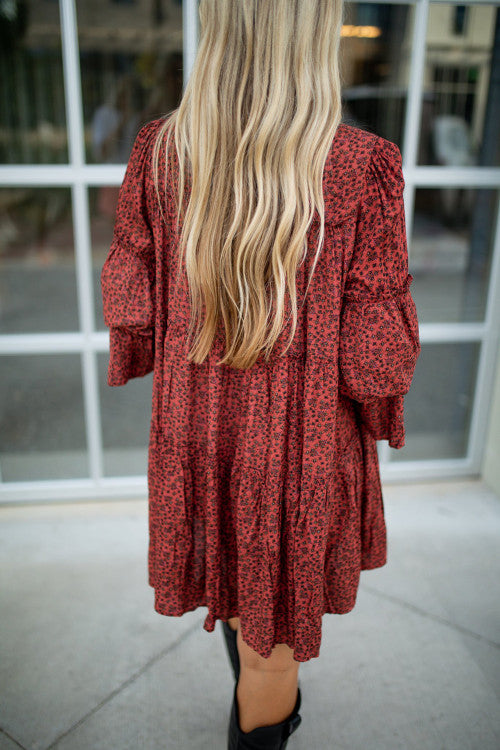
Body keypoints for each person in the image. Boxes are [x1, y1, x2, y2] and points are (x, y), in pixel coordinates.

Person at [100, 1, 421, 748]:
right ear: (312, 38)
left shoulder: (161, 152)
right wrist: (379, 417)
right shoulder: (360, 164)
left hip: (197, 435)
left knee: (246, 606)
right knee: (272, 647)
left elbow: (133, 296)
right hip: (298, 453)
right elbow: (375, 355)